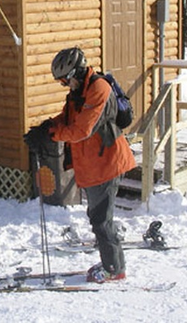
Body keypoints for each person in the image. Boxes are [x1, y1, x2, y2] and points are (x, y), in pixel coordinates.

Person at [38, 47, 135, 283]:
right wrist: (46, 127)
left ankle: (114, 269)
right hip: (93, 163)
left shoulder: (98, 89)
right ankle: (112, 262)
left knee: (101, 220)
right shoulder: (79, 91)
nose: (64, 85)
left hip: (107, 162)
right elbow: (67, 118)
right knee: (98, 216)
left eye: (64, 80)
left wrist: (54, 134)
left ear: (76, 72)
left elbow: (82, 130)